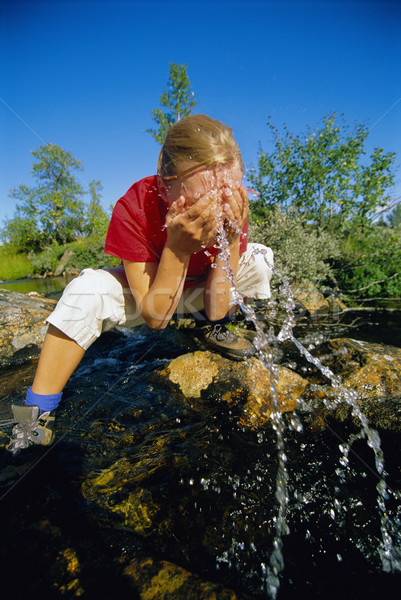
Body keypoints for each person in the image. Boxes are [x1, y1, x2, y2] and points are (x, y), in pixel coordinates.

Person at [7, 114, 274, 453]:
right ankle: (36, 411)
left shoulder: (232, 208)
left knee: (262, 257)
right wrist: (176, 248)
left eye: (227, 194)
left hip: (204, 295)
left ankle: (210, 329)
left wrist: (233, 238)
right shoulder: (134, 205)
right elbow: (155, 318)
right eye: (201, 200)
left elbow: (220, 304)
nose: (216, 209)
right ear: (165, 188)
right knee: (84, 291)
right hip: (152, 297)